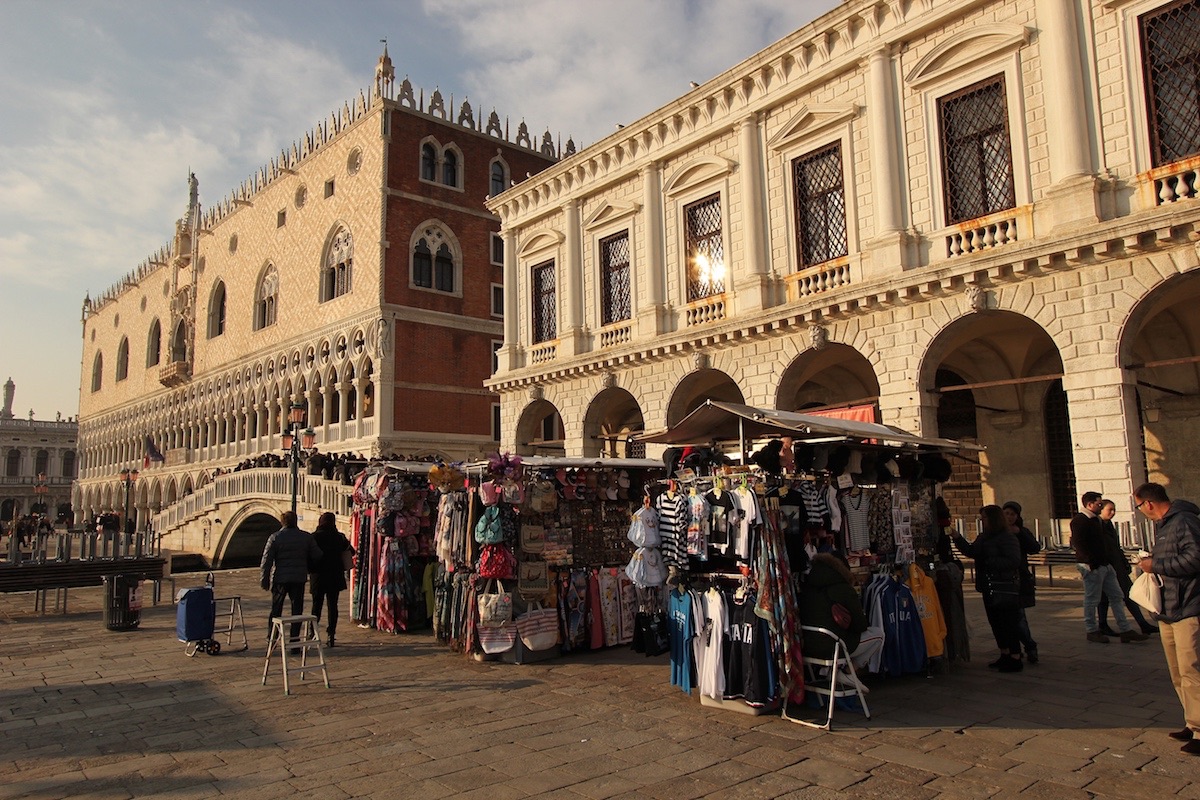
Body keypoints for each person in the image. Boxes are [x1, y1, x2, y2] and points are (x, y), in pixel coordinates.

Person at [1134, 482, 1200, 756]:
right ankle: (1191, 720)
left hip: (1188, 606)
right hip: (1168, 608)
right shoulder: (1164, 525)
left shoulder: (1183, 521)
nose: (1140, 511)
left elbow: (1195, 558)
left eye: (1139, 506)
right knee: (1177, 671)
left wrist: (1156, 564)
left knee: (1192, 670)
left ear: (1148, 503)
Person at [953, 505, 1024, 672]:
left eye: (984, 517)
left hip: (1003, 586)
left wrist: (989, 562)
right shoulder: (984, 537)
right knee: (996, 623)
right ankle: (1004, 653)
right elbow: (972, 551)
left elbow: (1014, 561)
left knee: (1008, 623)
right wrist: (957, 537)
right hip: (988, 585)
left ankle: (1015, 656)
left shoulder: (1007, 537)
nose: (982, 520)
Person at [1070, 491, 1148, 644]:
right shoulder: (1080, 520)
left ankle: (1125, 629)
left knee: (1117, 596)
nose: (1101, 506)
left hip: (1105, 565)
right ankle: (1092, 630)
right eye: (1099, 504)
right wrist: (1091, 562)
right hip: (1092, 566)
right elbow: (1079, 544)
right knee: (1092, 599)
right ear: (1089, 504)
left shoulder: (1097, 521)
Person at [798, 553, 883, 685]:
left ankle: (833, 672)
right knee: (879, 635)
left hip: (808, 647)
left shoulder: (807, 588)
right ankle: (849, 672)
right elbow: (860, 625)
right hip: (834, 647)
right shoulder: (843, 589)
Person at [260, 510, 323, 648]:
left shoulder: (275, 537)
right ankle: (294, 640)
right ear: (296, 521)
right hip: (298, 578)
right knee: (297, 610)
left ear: (283, 522)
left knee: (276, 609)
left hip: (280, 578)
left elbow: (267, 560)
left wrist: (264, 579)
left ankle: (272, 638)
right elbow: (317, 555)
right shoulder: (306, 537)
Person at [1097, 499, 1156, 636]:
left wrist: (1124, 563)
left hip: (1117, 566)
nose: (1112, 513)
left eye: (1114, 509)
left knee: (1127, 594)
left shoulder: (1109, 525)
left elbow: (1116, 547)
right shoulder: (1097, 526)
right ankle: (1105, 625)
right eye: (1109, 510)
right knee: (1106, 597)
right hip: (1107, 567)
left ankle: (1142, 623)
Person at [1002, 501, 1042, 664]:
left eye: (1012, 514)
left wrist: (1020, 533)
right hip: (1003, 581)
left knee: (1019, 617)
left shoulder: (1022, 532)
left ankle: (1029, 646)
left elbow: (1034, 548)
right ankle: (1013, 649)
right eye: (1006, 513)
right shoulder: (997, 532)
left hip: (1019, 580)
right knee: (1007, 618)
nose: (1009, 517)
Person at [309, 511, 353, 647]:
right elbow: (351, 551)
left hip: (318, 575)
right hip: (334, 575)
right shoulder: (339, 537)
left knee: (316, 606)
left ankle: (313, 633)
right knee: (332, 606)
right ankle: (331, 634)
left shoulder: (314, 537)